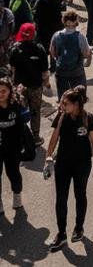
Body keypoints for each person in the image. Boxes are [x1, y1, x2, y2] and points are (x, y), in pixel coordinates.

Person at [44, 86, 93, 252]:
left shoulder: (88, 119)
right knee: (61, 198)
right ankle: (61, 233)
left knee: (80, 195)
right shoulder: (61, 117)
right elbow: (54, 138)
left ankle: (79, 228)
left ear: (76, 104)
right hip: (62, 164)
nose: (62, 105)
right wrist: (48, 158)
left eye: (65, 103)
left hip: (82, 164)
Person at [9, 22, 49, 143]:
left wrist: (12, 86)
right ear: (33, 33)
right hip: (36, 87)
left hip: (20, 87)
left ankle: (21, 138)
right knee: (35, 112)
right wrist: (46, 83)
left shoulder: (15, 49)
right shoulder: (40, 49)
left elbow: (12, 70)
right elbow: (45, 72)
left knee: (20, 113)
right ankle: (35, 138)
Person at [0, 77, 28, 214]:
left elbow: (24, 122)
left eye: (3, 91)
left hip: (13, 146)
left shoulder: (16, 105)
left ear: (10, 91)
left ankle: (17, 195)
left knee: (13, 173)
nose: (0, 94)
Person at [49, 10, 91, 98]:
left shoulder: (56, 35)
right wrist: (87, 60)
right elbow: (86, 53)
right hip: (77, 72)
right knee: (78, 97)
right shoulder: (80, 37)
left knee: (63, 97)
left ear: (64, 21)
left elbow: (52, 52)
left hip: (61, 71)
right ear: (76, 21)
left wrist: (58, 58)